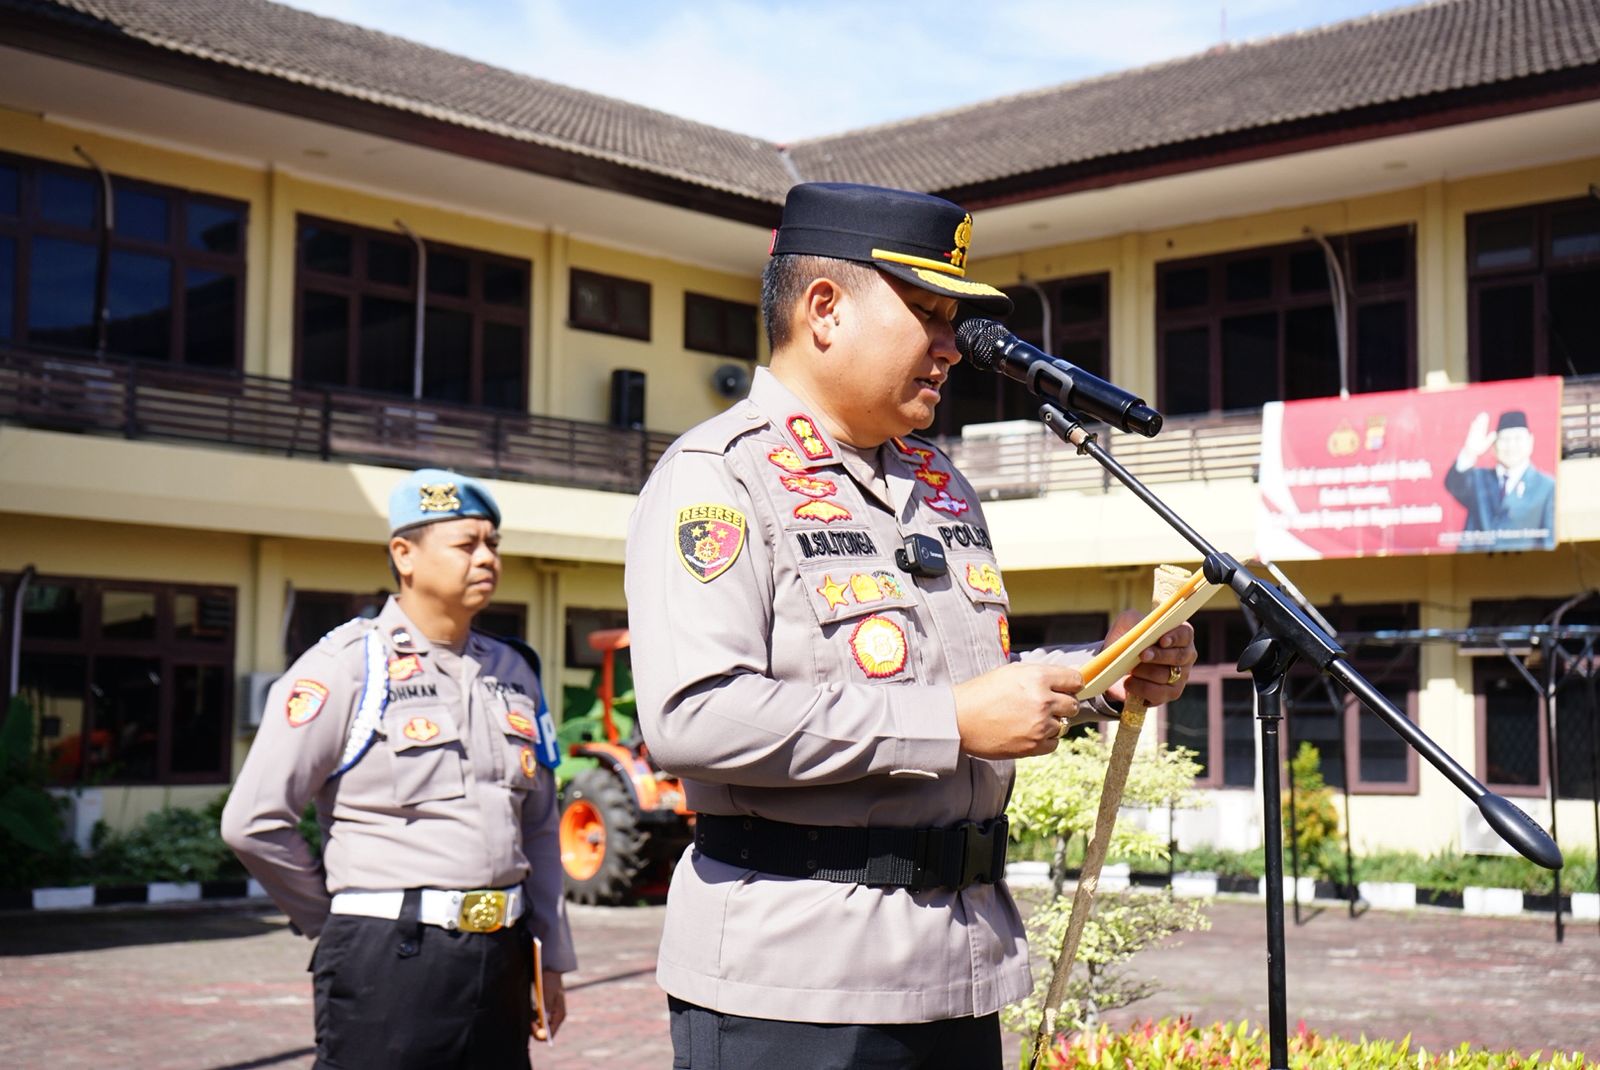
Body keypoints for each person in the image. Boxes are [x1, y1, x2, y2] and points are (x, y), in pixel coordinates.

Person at [624, 182, 1197, 1069]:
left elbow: (952, 677)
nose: (951, 348)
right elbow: (692, 717)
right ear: (824, 309)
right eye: (928, 314)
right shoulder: (718, 476)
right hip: (797, 986)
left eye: (953, 323)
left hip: (955, 966)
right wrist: (951, 723)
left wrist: (1102, 676)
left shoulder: (938, 482)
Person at [222, 468, 574, 1070]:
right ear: (404, 555)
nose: (487, 558)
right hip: (391, 958)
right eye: (466, 544)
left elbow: (539, 827)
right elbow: (252, 822)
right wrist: (336, 919)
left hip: (504, 957)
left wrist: (553, 960)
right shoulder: (348, 666)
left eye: (493, 544)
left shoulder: (514, 671)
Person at [1443, 409, 1555, 550]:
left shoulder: (1547, 486)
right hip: (1474, 562)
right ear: (1493, 445)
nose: (1511, 446)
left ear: (1530, 441)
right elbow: (1454, 483)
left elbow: (1549, 542)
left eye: (1518, 438)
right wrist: (1469, 452)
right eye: (1505, 439)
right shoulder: (1478, 479)